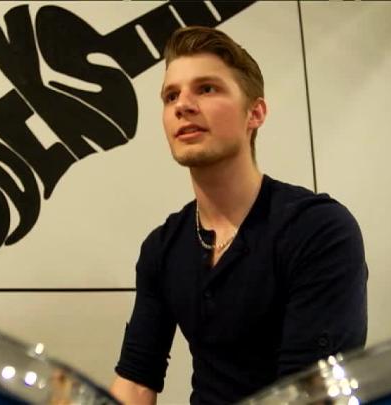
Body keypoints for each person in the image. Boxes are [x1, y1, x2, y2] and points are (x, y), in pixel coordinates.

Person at [110, 26, 368, 404]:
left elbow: (306, 396)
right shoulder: (162, 247)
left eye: (206, 88)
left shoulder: (317, 229)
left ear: (255, 113)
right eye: (171, 96)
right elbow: (135, 381)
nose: (182, 105)